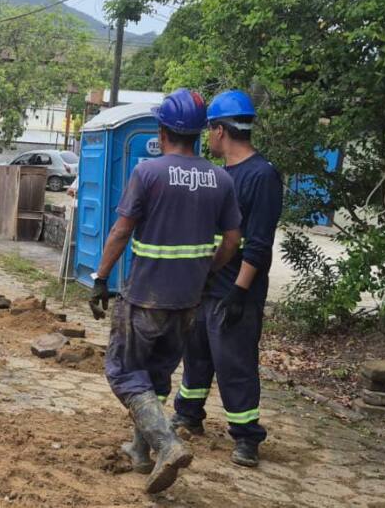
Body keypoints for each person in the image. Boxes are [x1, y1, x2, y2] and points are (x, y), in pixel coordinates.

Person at [90, 88, 242, 494]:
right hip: (187, 302)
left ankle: (165, 443)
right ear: (198, 132)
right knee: (155, 377)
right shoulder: (221, 178)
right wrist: (206, 272)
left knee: (123, 372)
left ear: (163, 130)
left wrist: (100, 278)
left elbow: (122, 230)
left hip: (145, 297)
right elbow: (231, 240)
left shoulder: (149, 173)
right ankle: (141, 454)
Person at [172, 90, 283, 468]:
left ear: (220, 131)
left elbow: (259, 243)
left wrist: (240, 290)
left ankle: (247, 438)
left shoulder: (262, 176)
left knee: (235, 365)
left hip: (236, 292)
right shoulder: (217, 174)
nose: (208, 138)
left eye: (210, 131)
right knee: (196, 357)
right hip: (206, 287)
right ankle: (188, 414)